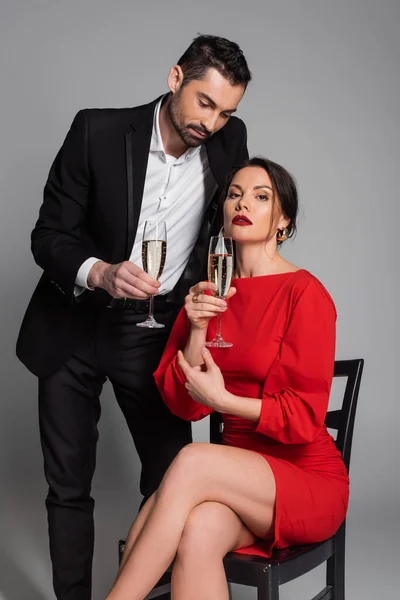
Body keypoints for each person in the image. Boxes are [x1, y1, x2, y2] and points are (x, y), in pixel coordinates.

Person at [16, 35, 251, 600]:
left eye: (226, 112)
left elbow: (233, 228)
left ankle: (155, 589)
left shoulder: (229, 141)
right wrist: (99, 272)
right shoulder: (97, 132)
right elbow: (48, 236)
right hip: (73, 325)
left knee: (172, 476)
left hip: (153, 332)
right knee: (68, 485)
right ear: (175, 78)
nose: (212, 123)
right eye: (203, 103)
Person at [105, 157, 349, 600]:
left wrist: (226, 402)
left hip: (304, 479)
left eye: (261, 197)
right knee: (197, 531)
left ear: (283, 221)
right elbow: (184, 404)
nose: (244, 203)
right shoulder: (207, 292)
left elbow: (304, 418)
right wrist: (196, 328)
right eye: (235, 194)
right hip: (231, 478)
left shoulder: (304, 293)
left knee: (193, 459)